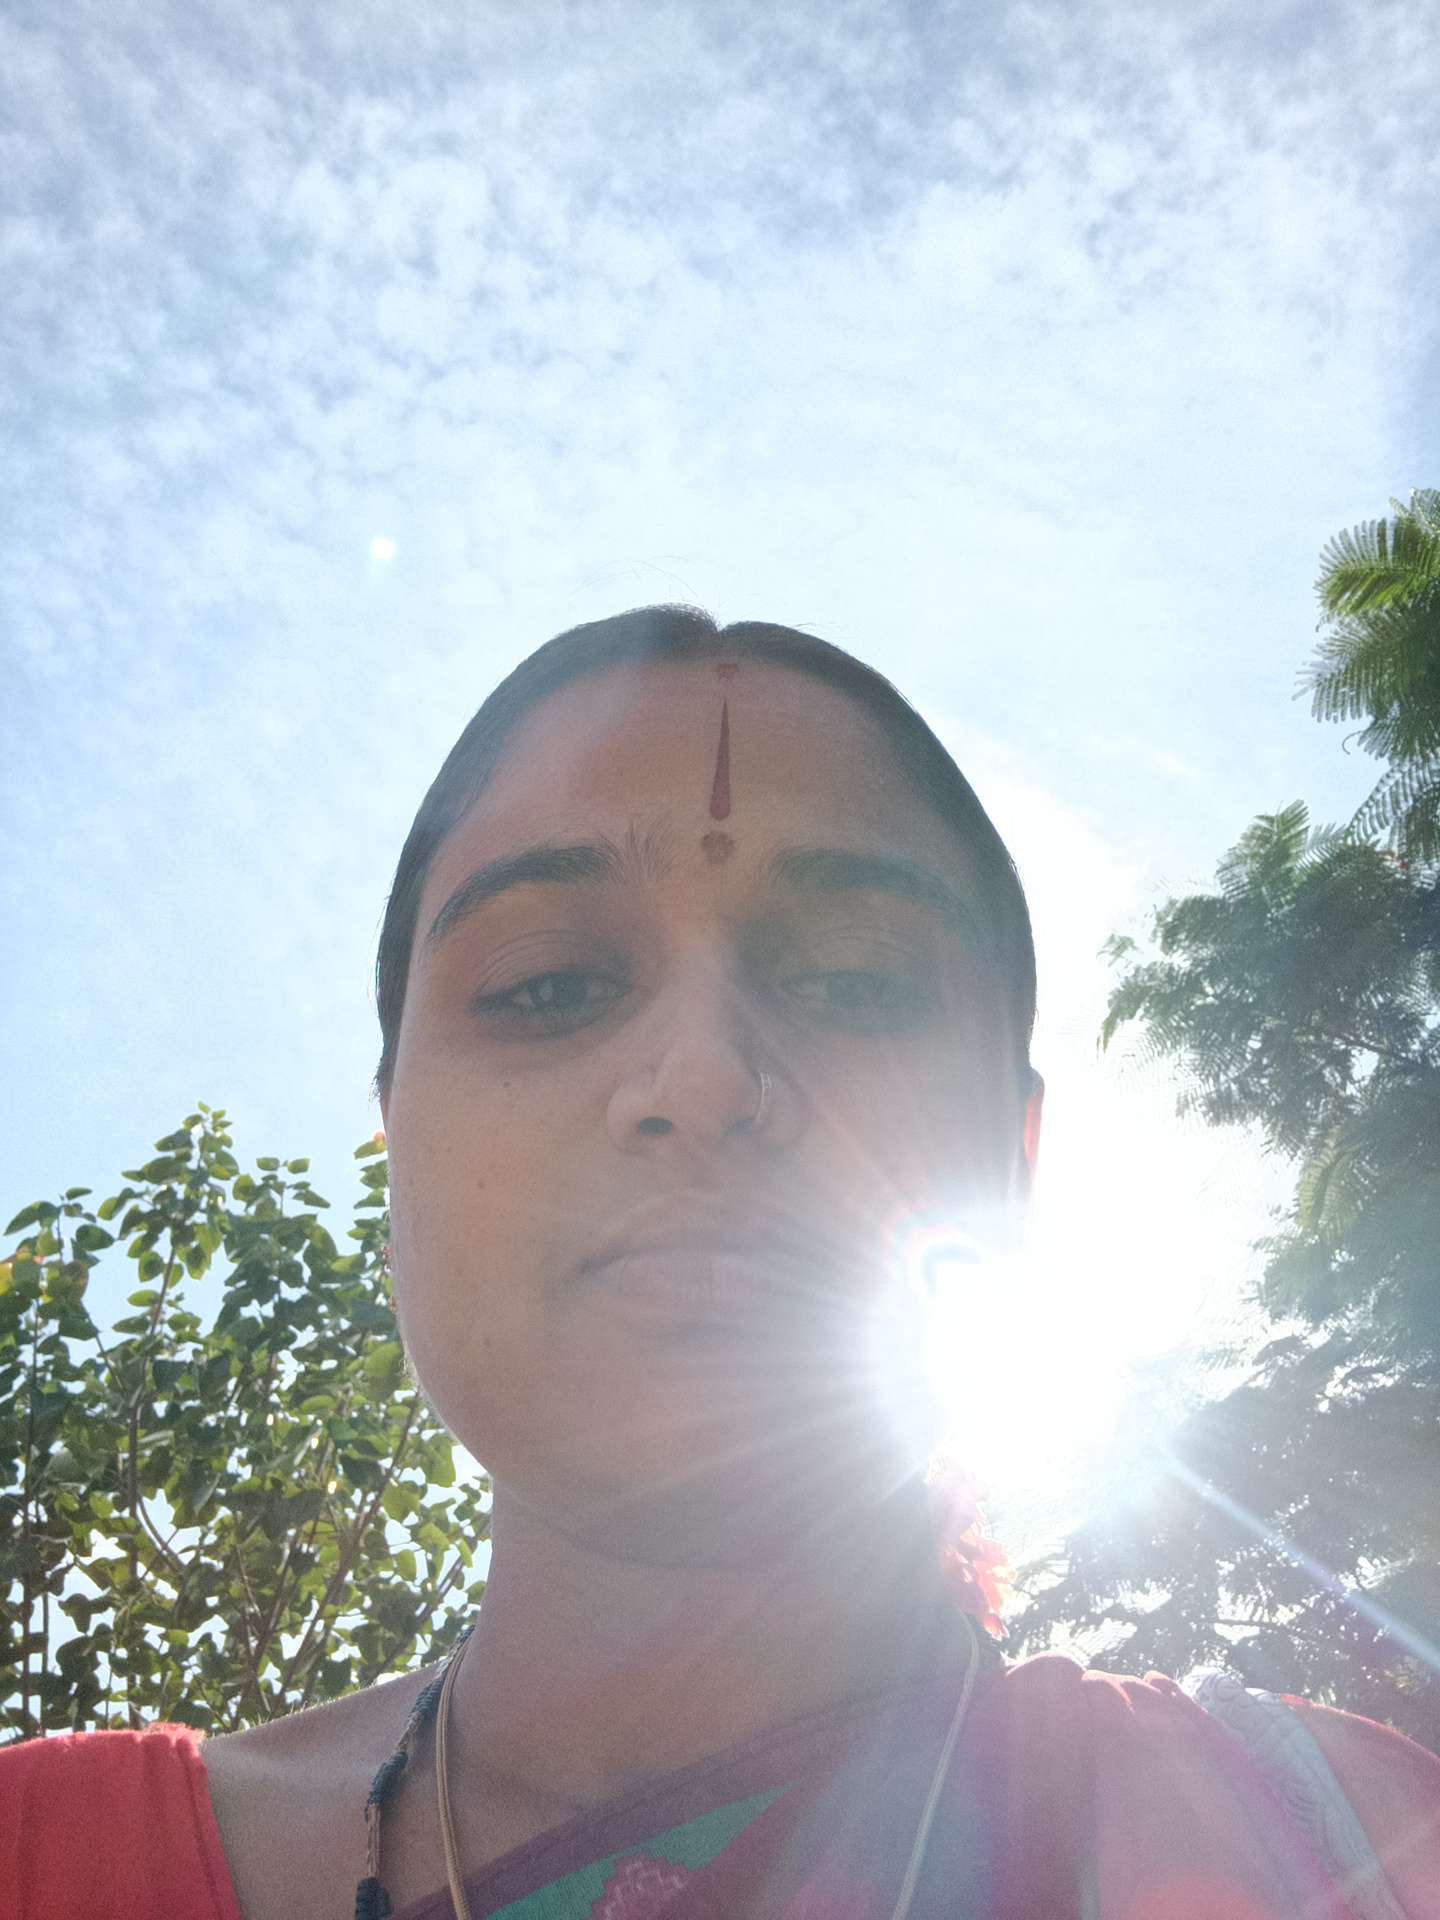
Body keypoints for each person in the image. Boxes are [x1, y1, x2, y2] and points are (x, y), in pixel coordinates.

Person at [3, 606, 1438, 1919]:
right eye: (549, 985)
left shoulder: (1351, 1849)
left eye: (859, 982)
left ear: (1015, 1159)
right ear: (396, 1136)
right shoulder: (44, 1860)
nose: (700, 1074)